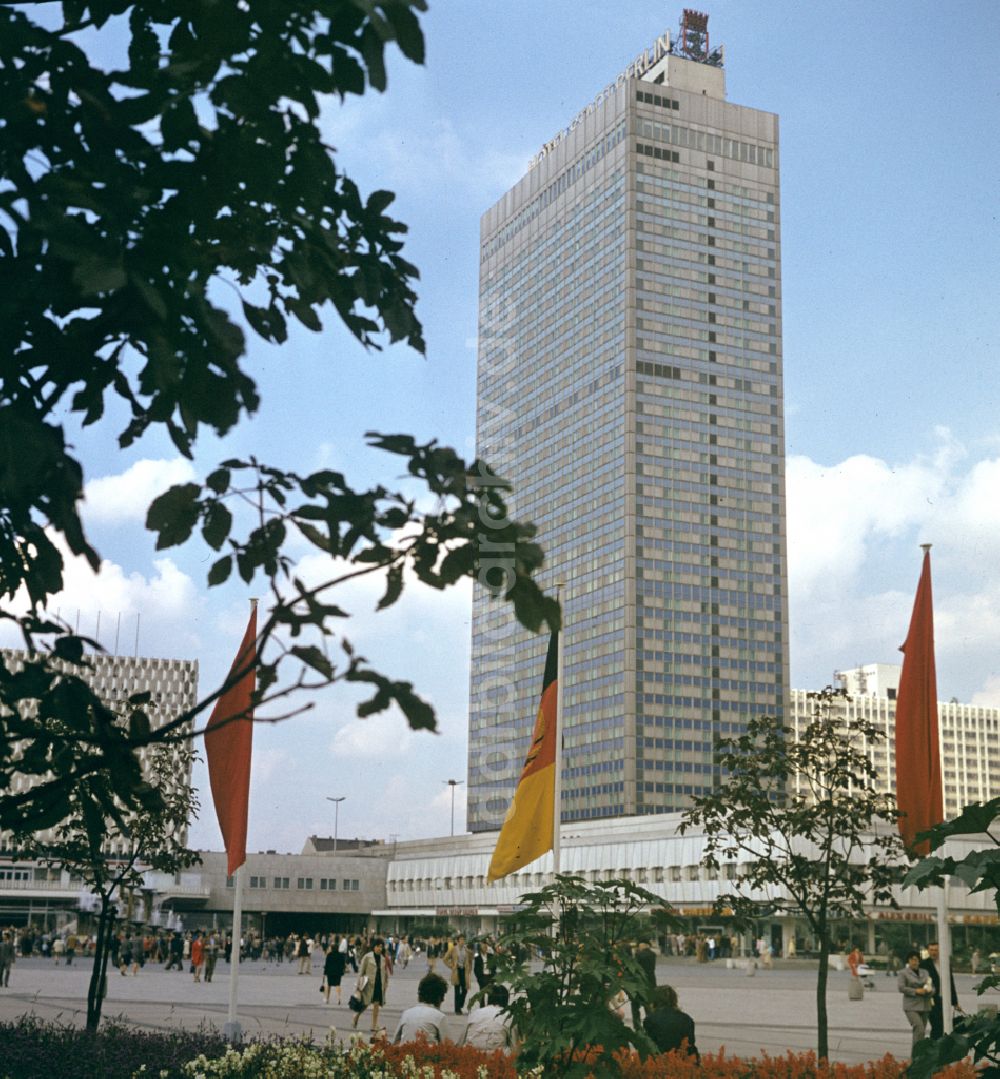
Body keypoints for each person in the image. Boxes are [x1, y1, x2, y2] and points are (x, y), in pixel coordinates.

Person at [643, 984, 699, 1062]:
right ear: (674, 1000)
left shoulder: (650, 1019)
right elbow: (690, 1045)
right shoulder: (686, 1019)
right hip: (682, 1062)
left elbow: (650, 1046)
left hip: (659, 1061)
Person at [392, 972, 449, 1044]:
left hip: (405, 1053)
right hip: (427, 1054)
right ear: (439, 997)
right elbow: (449, 1045)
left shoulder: (406, 1014)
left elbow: (394, 1041)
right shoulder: (439, 1017)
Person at [921, 942, 962, 1039]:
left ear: (940, 951)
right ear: (928, 951)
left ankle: (940, 1046)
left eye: (936, 950)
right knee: (937, 1025)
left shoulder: (945, 963)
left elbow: (951, 982)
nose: (933, 952)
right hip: (931, 1000)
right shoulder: (924, 964)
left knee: (945, 1025)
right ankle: (933, 1047)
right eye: (931, 950)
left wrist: (955, 1002)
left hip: (945, 999)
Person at [461, 983, 517, 1051]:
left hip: (470, 1055)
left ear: (489, 998)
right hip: (496, 1057)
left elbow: (460, 1041)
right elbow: (515, 1046)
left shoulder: (474, 1013)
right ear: (506, 1000)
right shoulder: (508, 1016)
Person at [352, 937, 390, 1033]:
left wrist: (386, 984)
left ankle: (373, 1025)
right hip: (368, 984)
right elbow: (361, 971)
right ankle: (356, 1016)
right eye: (378, 946)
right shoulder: (367, 957)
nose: (379, 949)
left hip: (378, 984)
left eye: (381, 947)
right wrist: (358, 985)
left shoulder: (382, 959)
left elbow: (385, 973)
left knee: (376, 1004)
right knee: (365, 1004)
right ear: (374, 947)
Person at [898, 949, 934, 1046]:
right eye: (912, 960)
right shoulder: (903, 973)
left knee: (920, 1033)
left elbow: (932, 985)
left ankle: (917, 1055)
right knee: (919, 1028)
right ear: (908, 961)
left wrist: (929, 990)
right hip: (911, 1006)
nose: (914, 962)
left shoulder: (925, 972)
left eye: (916, 959)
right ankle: (917, 1055)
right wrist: (915, 991)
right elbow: (901, 988)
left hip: (925, 1005)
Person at [443, 934, 473, 1015]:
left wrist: (469, 968)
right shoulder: (453, 949)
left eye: (464, 939)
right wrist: (451, 966)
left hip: (464, 971)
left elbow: (470, 960)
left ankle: (460, 1003)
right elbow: (445, 959)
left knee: (465, 989)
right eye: (461, 939)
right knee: (457, 989)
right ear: (457, 941)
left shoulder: (466, 949)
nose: (463, 941)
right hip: (456, 971)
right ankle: (457, 1009)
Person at [324, 936, 347, 1004]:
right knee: (337, 985)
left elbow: (327, 964)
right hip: (338, 972)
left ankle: (327, 999)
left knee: (329, 985)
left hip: (330, 972)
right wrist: (343, 970)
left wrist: (325, 972)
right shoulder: (340, 955)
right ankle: (338, 998)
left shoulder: (329, 955)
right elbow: (343, 964)